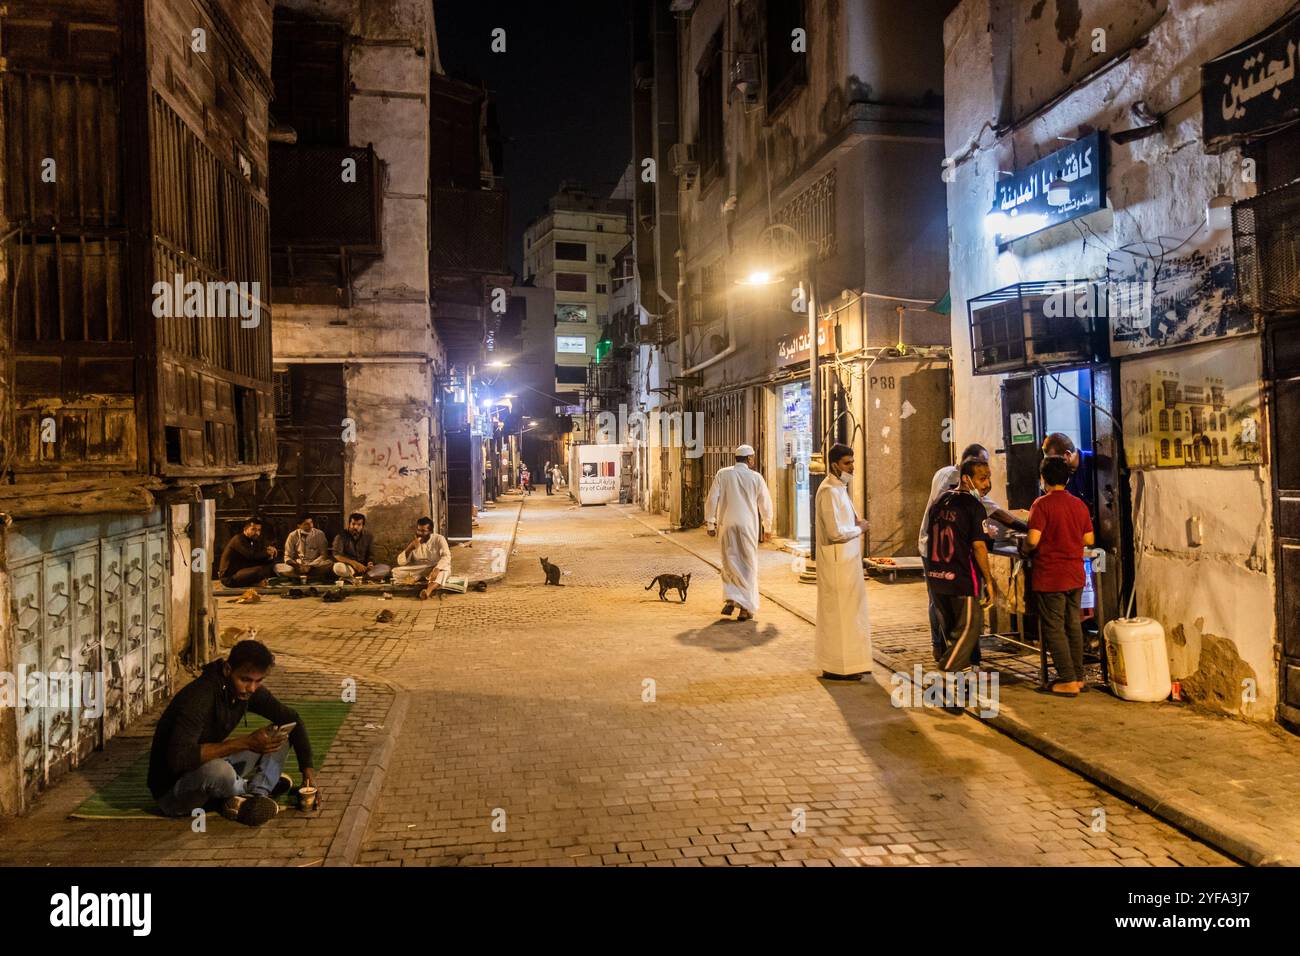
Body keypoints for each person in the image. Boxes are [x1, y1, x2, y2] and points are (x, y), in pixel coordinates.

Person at [148, 639, 317, 827]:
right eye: (245, 680)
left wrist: (308, 774)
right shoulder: (199, 697)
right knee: (220, 772)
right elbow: (179, 758)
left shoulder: (248, 691)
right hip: (174, 792)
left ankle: (256, 795)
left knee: (278, 734)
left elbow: (292, 719)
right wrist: (245, 743)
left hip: (209, 766)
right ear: (228, 670)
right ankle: (245, 791)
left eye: (258, 681)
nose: (251, 688)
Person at [918, 444, 1025, 662]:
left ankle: (951, 656)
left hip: (936, 554)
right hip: (948, 559)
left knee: (944, 608)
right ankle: (951, 660)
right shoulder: (964, 495)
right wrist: (1024, 527)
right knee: (965, 619)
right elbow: (980, 536)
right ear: (968, 471)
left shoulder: (947, 483)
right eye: (983, 475)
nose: (987, 483)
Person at [1024, 456, 1095, 696]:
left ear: (1043, 478)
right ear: (1067, 478)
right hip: (1075, 574)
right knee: (1073, 624)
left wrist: (1024, 547)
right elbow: (1089, 540)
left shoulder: (1041, 505)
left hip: (1051, 575)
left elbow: (1033, 540)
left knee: (1054, 627)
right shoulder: (1078, 505)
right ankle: (1078, 676)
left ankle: (1067, 680)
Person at [923, 457, 1000, 671]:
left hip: (937, 579)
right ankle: (947, 671)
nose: (986, 484)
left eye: (988, 478)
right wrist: (989, 580)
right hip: (962, 579)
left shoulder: (940, 501)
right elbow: (979, 547)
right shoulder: (973, 506)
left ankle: (959, 687)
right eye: (982, 479)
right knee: (969, 629)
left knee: (952, 636)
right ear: (966, 479)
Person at [814, 443, 872, 680]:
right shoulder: (828, 490)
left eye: (853, 461)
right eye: (847, 463)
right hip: (836, 564)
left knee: (850, 616)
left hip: (848, 563)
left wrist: (856, 526)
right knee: (838, 617)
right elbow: (835, 532)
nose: (852, 467)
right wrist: (860, 530)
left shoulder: (839, 488)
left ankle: (853, 664)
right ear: (835, 464)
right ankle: (838, 668)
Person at [705, 444, 773, 622]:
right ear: (749, 459)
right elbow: (765, 504)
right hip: (747, 526)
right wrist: (768, 527)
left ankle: (732, 598)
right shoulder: (756, 477)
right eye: (753, 458)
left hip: (726, 525)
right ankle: (744, 608)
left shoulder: (723, 474)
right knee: (748, 566)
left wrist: (710, 523)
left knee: (729, 563)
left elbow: (712, 499)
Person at [392, 516, 452, 599]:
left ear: (430, 531)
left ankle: (427, 591)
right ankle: (421, 578)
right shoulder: (415, 542)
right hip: (420, 569)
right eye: (418, 530)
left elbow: (446, 556)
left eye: (423, 531)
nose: (420, 533)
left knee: (446, 570)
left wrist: (437, 569)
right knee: (396, 571)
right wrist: (410, 547)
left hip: (435, 567)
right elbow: (401, 562)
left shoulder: (439, 539)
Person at [218, 517, 278, 588]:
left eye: (259, 530)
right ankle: (254, 583)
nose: (257, 533)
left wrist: (271, 555)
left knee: (270, 566)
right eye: (253, 529)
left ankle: (254, 582)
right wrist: (267, 552)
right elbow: (251, 556)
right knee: (259, 570)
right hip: (230, 577)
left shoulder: (253, 540)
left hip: (242, 572)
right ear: (245, 529)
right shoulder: (238, 539)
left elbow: (259, 558)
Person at [1042, 432, 1095, 510]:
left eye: (1054, 460)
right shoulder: (1059, 473)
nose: (1052, 466)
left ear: (1067, 454)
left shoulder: (1095, 463)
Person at [332, 512, 386, 582]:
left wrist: (370, 563)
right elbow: (337, 555)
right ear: (349, 524)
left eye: (359, 524)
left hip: (364, 568)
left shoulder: (368, 536)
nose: (355, 527)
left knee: (385, 568)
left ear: (363, 526)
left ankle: (355, 578)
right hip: (349, 567)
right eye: (353, 524)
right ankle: (354, 577)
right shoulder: (340, 536)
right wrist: (354, 563)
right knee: (337, 567)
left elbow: (371, 554)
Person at [281, 514, 333, 581]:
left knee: (329, 563)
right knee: (278, 567)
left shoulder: (320, 534)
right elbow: (287, 556)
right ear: (299, 526)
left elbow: (323, 555)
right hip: (298, 566)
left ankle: (300, 577)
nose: (311, 526)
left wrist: (310, 566)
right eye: (306, 524)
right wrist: (297, 566)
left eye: (311, 523)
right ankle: (311, 577)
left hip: (314, 566)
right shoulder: (292, 535)